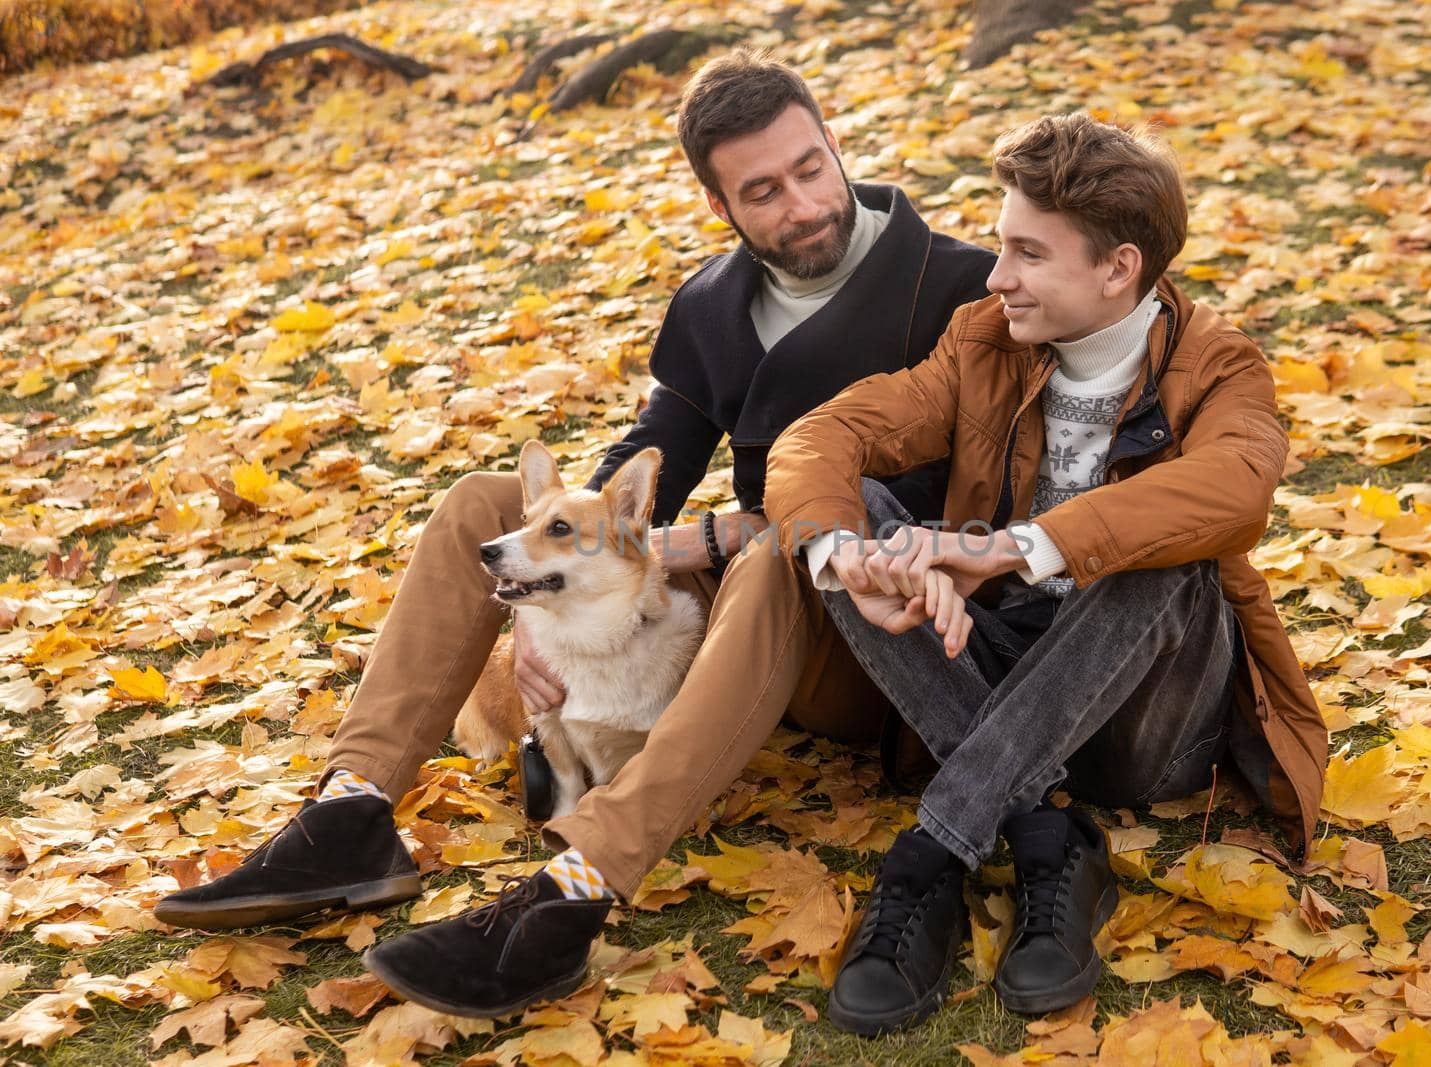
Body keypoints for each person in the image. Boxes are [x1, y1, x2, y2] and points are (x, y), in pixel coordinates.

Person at [154, 50, 995, 1017]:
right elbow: (649, 456)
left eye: (811, 169)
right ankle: (351, 808)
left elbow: (947, 515)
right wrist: (536, 587)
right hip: (743, 618)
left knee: (771, 556)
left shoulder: (960, 286)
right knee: (481, 501)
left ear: (836, 145)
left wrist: (721, 537)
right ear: (721, 207)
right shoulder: (713, 303)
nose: (802, 205)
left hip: (873, 628)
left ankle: (578, 886)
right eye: (762, 191)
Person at [762, 112, 1329, 1034]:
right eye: (999, 246)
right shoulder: (983, 339)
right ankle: (1045, 828)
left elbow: (1235, 489)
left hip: (1146, 713)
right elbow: (823, 436)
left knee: (1170, 549)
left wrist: (1007, 547)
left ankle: (935, 851)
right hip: (996, 670)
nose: (996, 276)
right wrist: (850, 557)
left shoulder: (1220, 365)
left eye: (1028, 254)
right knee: (855, 519)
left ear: (1119, 269)